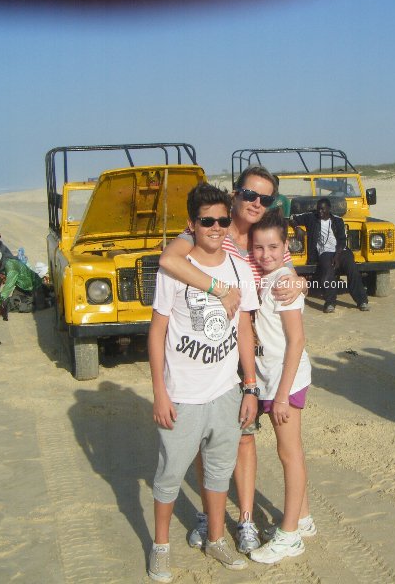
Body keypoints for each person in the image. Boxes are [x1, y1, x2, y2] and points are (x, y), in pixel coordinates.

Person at [157, 165, 306, 554]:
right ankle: (211, 514)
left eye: (266, 198)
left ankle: (244, 521)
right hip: (218, 349)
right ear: (235, 193)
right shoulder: (208, 229)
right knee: (213, 438)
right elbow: (170, 261)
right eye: (250, 195)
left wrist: (301, 280)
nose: (257, 203)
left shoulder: (262, 237)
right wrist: (221, 288)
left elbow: (284, 268)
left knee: (244, 438)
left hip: (252, 349)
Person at [147, 184, 259, 582]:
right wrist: (160, 392)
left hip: (226, 392)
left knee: (218, 472)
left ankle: (216, 539)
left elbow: (245, 327)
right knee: (169, 475)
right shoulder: (174, 269)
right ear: (191, 224)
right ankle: (161, 549)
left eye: (222, 220)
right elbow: (157, 332)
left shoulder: (238, 268)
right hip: (183, 395)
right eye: (207, 221)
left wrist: (249, 386)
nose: (215, 228)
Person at [247, 209, 315, 564]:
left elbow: (297, 340)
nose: (265, 254)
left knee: (289, 454)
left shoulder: (283, 282)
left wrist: (284, 395)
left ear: (285, 246)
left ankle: (289, 536)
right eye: (258, 248)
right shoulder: (273, 277)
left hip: (284, 381)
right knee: (291, 452)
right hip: (275, 378)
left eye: (273, 247)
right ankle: (302, 519)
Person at [291, 197, 369, 313]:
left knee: (352, 268)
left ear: (329, 209)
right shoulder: (311, 218)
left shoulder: (338, 221)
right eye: (318, 209)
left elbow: (342, 241)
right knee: (327, 272)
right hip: (324, 251)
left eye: (323, 210)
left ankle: (362, 301)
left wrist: (337, 256)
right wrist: (297, 228)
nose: (320, 212)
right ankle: (330, 302)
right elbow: (292, 218)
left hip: (341, 250)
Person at [0, 248, 42, 318]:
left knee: (26, 307)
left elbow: (8, 287)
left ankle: (43, 300)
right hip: (21, 287)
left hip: (33, 286)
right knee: (14, 305)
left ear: (0, 261)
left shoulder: (11, 267)